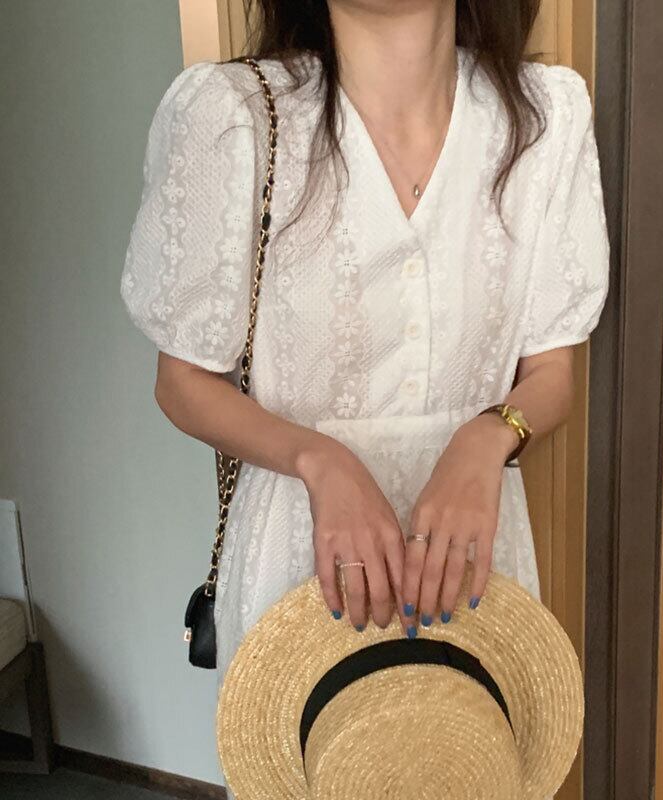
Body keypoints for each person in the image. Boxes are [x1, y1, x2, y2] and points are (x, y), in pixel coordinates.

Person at [121, 0, 609, 720]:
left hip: (472, 558)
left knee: (470, 759)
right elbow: (183, 381)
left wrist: (488, 437)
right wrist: (322, 461)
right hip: (304, 560)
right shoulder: (234, 116)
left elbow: (553, 374)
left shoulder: (544, 118)